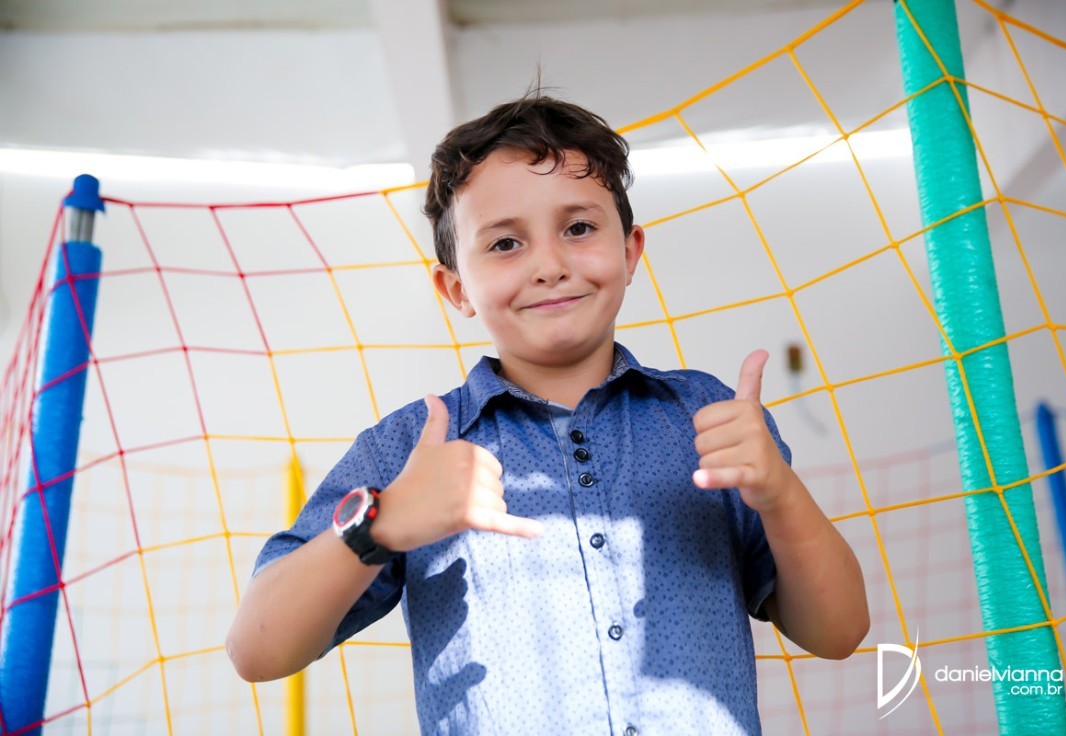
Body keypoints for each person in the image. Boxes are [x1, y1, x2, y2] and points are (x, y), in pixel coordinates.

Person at [226, 93, 869, 735]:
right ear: (457, 288)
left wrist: (779, 495)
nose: (550, 266)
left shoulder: (709, 417)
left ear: (630, 252)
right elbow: (257, 651)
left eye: (579, 229)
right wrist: (383, 522)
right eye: (505, 243)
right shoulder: (410, 451)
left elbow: (839, 632)